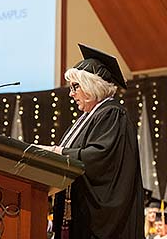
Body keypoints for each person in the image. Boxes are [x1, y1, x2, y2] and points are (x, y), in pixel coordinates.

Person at [44, 44, 144, 238]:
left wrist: (59, 153)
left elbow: (99, 156)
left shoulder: (112, 113)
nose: (71, 94)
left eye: (75, 87)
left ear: (92, 86)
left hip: (101, 223)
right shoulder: (89, 117)